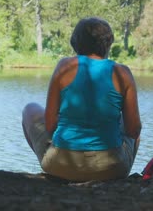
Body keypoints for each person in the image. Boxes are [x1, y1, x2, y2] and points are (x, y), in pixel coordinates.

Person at [22, 17, 141, 182]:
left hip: (61, 165)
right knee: (128, 120)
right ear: (108, 44)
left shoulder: (65, 66)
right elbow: (134, 131)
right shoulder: (123, 73)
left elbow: (50, 125)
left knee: (30, 109)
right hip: (111, 169)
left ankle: (50, 165)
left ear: (76, 44)